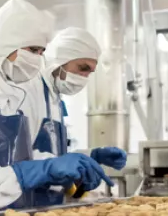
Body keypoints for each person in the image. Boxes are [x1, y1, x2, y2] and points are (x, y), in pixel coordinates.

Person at [0, 0, 112, 211]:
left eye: (41, 52)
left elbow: (26, 157)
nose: (37, 59)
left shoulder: (12, 101)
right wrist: (31, 172)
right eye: (33, 50)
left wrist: (64, 165)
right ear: (3, 45)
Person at [22, 27, 127, 205]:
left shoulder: (55, 98)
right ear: (59, 60)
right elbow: (17, 157)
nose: (84, 77)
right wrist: (54, 167)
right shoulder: (27, 91)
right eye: (82, 68)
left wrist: (91, 156)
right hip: (23, 201)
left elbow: (56, 155)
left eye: (89, 72)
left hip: (50, 203)